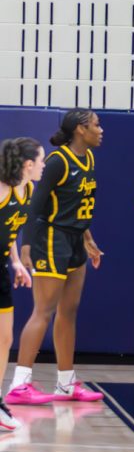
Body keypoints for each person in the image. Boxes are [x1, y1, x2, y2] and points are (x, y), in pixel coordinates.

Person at [7, 109, 105, 406]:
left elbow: (80, 205)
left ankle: (66, 383)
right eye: (96, 125)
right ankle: (20, 384)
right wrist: (25, 248)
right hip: (52, 239)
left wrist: (89, 239)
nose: (101, 130)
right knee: (43, 311)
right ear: (80, 129)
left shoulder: (88, 159)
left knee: (69, 311)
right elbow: (35, 207)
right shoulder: (57, 161)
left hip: (76, 240)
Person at [0, 138, 41, 431]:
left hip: (1, 266)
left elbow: (11, 229)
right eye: (40, 160)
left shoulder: (28, 189)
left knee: (5, 339)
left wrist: (15, 262)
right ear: (28, 165)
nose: (43, 165)